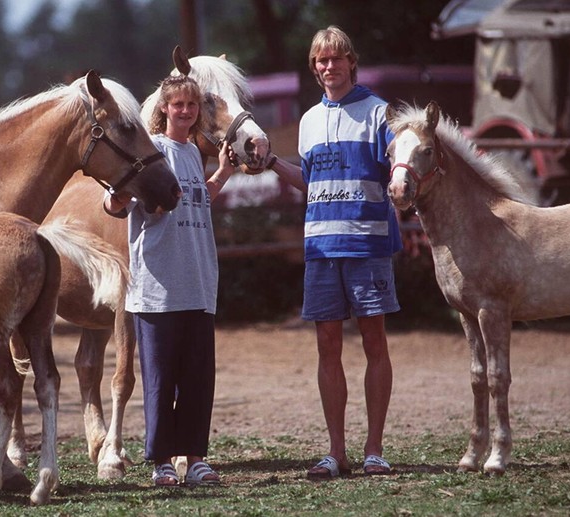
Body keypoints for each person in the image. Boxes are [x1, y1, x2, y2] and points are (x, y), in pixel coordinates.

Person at [264, 26, 401, 478]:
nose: (328, 67)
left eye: (336, 59)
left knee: (374, 341)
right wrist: (268, 163)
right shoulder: (307, 121)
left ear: (351, 62)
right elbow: (309, 182)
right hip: (321, 246)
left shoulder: (380, 113)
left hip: (367, 243)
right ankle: (336, 452)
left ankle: (374, 449)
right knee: (327, 347)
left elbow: (398, 174)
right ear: (314, 66)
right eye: (321, 61)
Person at [103, 74, 235, 487]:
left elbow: (198, 197)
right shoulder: (152, 149)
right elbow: (112, 202)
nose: (185, 111)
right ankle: (162, 461)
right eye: (177, 104)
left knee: (197, 379)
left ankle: (194, 458)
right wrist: (121, 198)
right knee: (161, 380)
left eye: (192, 105)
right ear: (163, 108)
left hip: (198, 281)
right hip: (158, 287)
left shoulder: (195, 154)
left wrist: (225, 172)